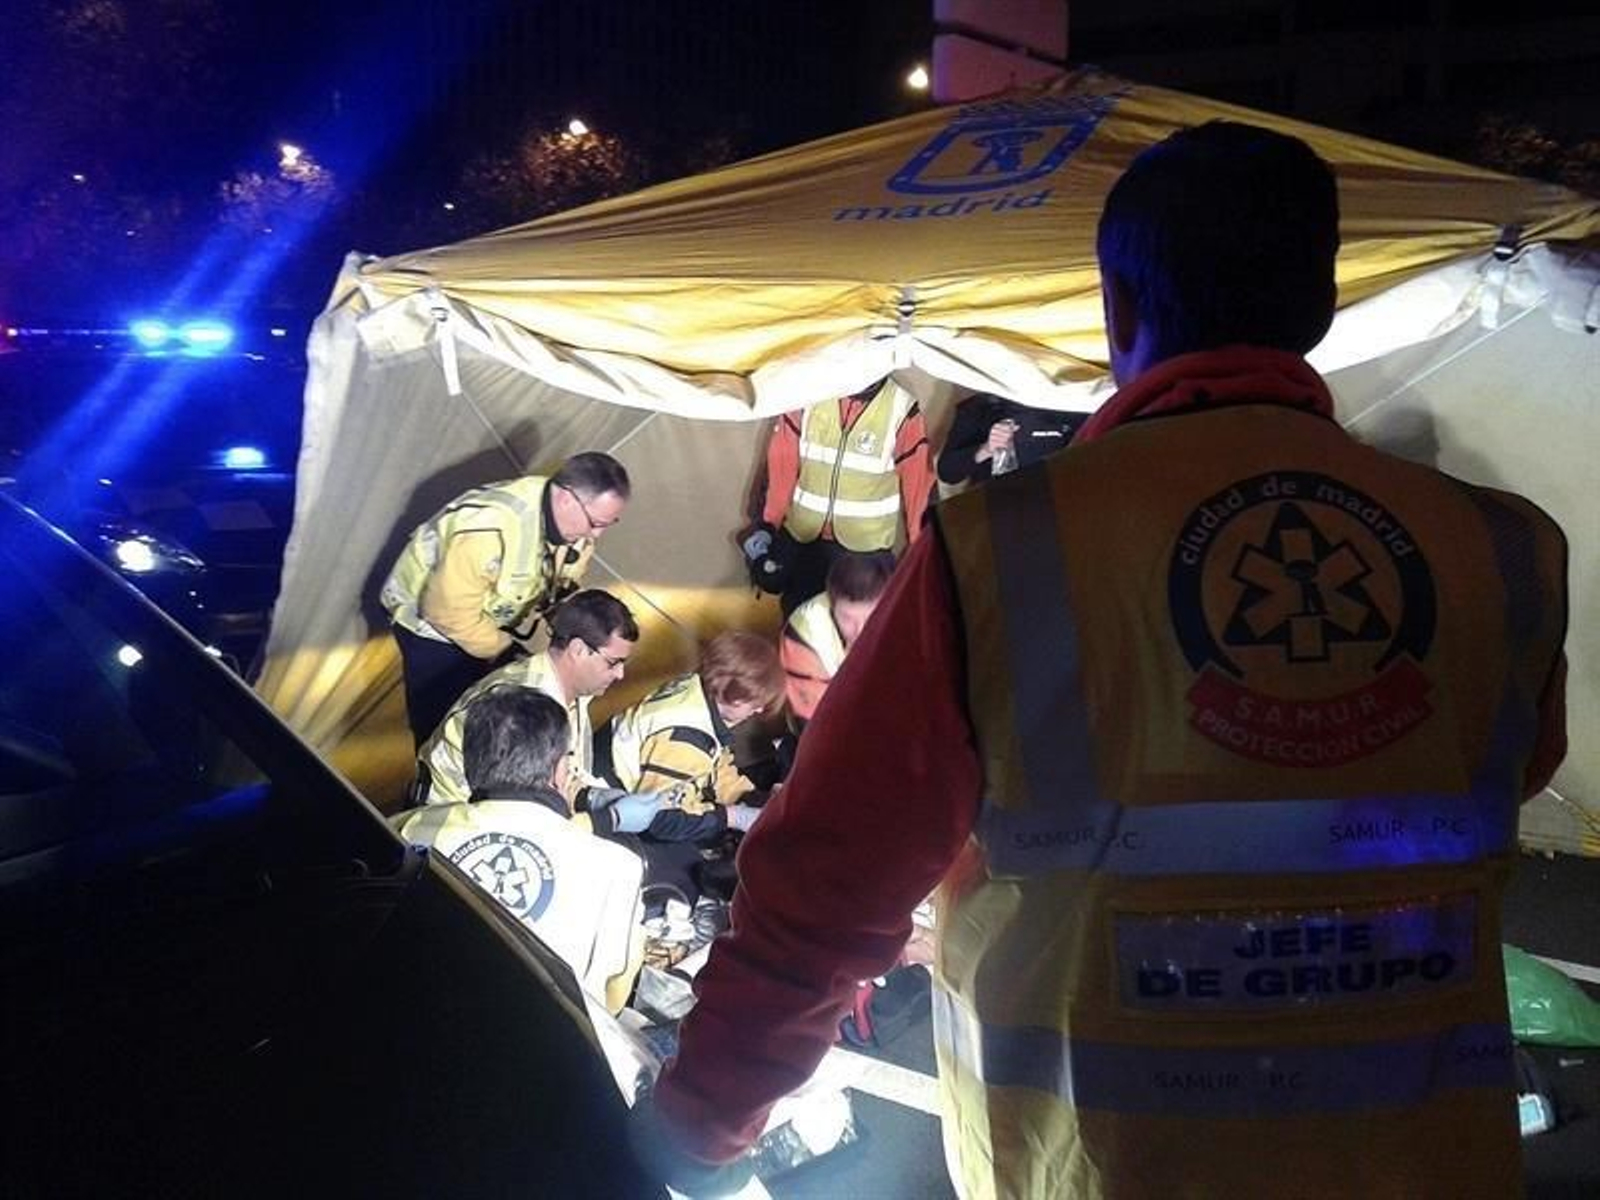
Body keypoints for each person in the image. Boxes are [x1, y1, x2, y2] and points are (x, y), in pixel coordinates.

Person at [632, 122, 1569, 1199]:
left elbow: (829, 880)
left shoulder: (1004, 551)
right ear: (1318, 301)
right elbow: (1493, 778)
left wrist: (699, 1125)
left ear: (1116, 311)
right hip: (1430, 1167)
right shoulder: (1503, 550)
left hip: (1108, 1169)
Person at [394, 687, 647, 1013]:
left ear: (471, 765)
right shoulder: (619, 870)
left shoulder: (411, 826)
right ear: (558, 771)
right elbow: (612, 1000)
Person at [381, 451, 631, 745]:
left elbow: (562, 579)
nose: (596, 534)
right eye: (595, 522)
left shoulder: (575, 530)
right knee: (444, 730)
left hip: (484, 620)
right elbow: (446, 613)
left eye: (607, 524)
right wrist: (503, 652)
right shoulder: (491, 529)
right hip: (431, 625)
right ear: (566, 498)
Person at [414, 589, 654, 821]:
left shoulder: (566, 694)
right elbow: (522, 809)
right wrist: (605, 820)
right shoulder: (525, 707)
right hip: (449, 821)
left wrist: (590, 795)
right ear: (578, 650)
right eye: (613, 662)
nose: (620, 674)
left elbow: (557, 776)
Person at [743, 378, 933, 614]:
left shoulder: (902, 409)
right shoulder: (806, 394)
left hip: (865, 554)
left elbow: (919, 490)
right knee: (800, 627)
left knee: (857, 638)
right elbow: (781, 465)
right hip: (804, 541)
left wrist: (921, 558)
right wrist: (768, 526)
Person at [603, 630, 786, 846]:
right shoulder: (688, 738)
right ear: (736, 699)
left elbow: (716, 764)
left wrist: (751, 798)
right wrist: (732, 817)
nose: (759, 710)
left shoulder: (696, 687)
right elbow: (662, 820)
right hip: (617, 807)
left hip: (618, 766)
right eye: (756, 704)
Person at [780, 550, 894, 724]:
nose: (861, 630)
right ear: (831, 604)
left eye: (872, 617)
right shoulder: (804, 633)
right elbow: (812, 723)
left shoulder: (904, 612)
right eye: (847, 618)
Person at [936, 393, 1086, 486]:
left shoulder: (1068, 400)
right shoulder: (980, 408)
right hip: (1002, 504)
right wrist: (987, 449)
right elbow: (947, 472)